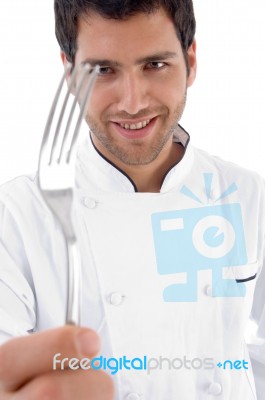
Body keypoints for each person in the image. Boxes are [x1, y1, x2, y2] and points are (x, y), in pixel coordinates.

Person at [0, 0, 264, 399]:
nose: (133, 102)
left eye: (155, 65)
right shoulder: (18, 214)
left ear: (191, 61)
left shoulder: (247, 195)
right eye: (103, 70)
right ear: (70, 75)